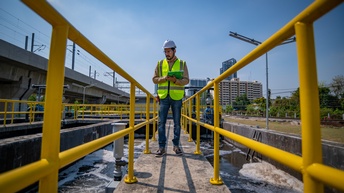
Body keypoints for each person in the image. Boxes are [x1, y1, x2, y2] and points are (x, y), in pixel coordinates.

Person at [152, 40, 189, 157]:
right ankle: (161, 147)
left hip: (177, 97)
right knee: (161, 123)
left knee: (177, 123)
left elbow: (186, 80)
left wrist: (175, 81)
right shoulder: (159, 63)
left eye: (168, 51)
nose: (166, 53)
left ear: (174, 51)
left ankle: (176, 146)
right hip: (163, 97)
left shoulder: (182, 63)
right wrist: (164, 78)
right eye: (165, 51)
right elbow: (154, 79)